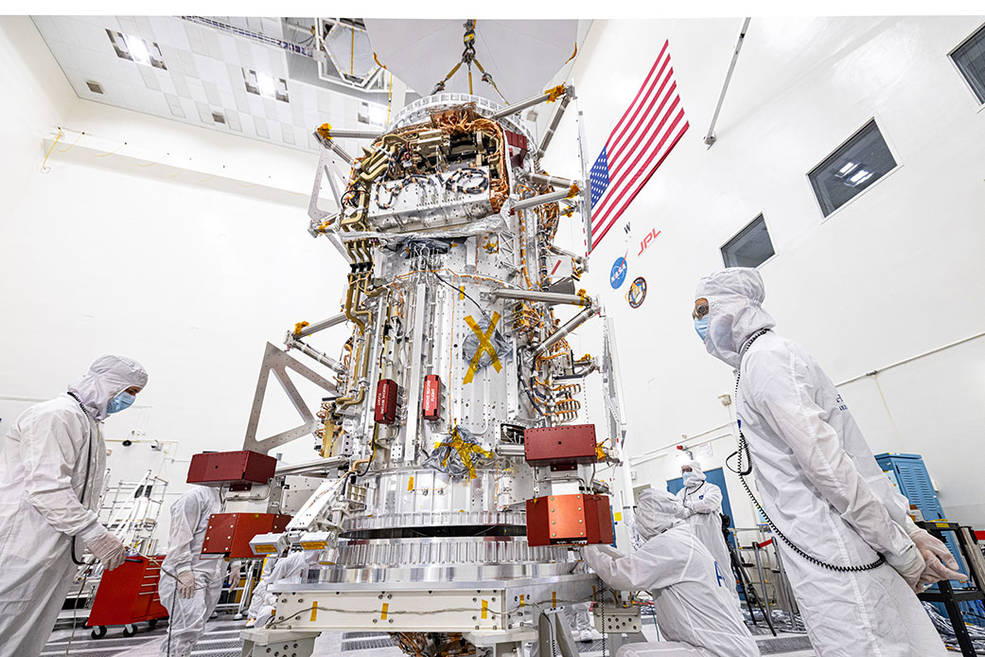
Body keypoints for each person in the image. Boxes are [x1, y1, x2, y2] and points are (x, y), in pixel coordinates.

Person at [693, 267, 965, 657]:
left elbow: (828, 465)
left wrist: (901, 545)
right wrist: (904, 529)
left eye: (702, 310)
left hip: (835, 553)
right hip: (841, 547)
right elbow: (852, 458)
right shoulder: (768, 358)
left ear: (733, 307)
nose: (699, 324)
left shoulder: (766, 361)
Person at [0, 355, 148, 657]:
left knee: (25, 638)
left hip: (53, 551)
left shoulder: (89, 424)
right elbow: (46, 488)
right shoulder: (56, 415)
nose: (129, 400)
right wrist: (94, 533)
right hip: (23, 547)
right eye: (129, 392)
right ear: (110, 383)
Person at [582, 488, 760, 657]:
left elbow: (621, 575)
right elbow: (635, 563)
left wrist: (586, 549)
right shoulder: (682, 540)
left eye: (640, 513)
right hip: (725, 646)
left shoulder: (670, 544)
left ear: (653, 515)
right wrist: (600, 549)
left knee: (629, 653)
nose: (638, 520)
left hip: (716, 650)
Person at [158, 485, 224, 657]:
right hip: (188, 574)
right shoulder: (195, 496)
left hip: (210, 575)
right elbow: (180, 534)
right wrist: (183, 570)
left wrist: (235, 565)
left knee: (195, 630)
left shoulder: (223, 497)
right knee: (184, 632)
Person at [674, 460, 738, 604]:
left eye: (688, 469)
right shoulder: (680, 493)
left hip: (711, 538)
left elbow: (709, 504)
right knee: (697, 572)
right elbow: (678, 511)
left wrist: (688, 508)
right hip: (691, 540)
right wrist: (694, 507)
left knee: (721, 571)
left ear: (696, 470)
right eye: (683, 470)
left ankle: (733, 607)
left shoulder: (711, 489)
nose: (685, 473)